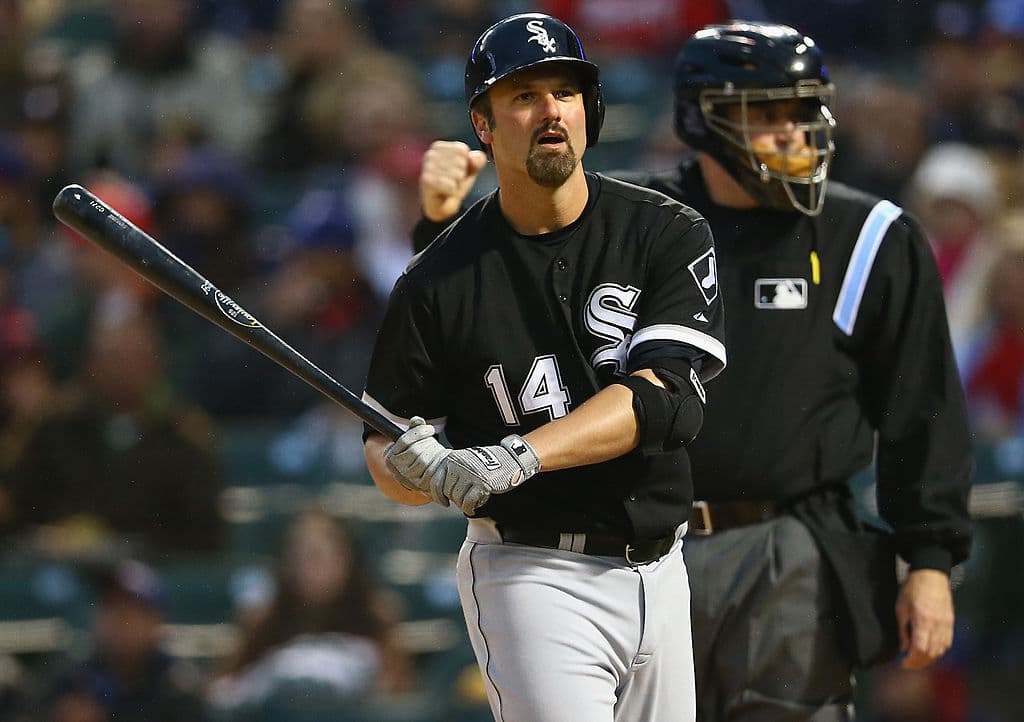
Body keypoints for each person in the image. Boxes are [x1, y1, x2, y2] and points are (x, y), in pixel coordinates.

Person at [410, 21, 973, 721]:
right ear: (702, 118)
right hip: (627, 544)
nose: (792, 133)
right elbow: (496, 303)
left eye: (803, 111)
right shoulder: (634, 221)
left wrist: (930, 560)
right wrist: (438, 224)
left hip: (786, 542)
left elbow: (925, 409)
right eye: (765, 114)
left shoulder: (871, 235)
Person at [363, 12, 726, 722]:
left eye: (565, 90)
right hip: (531, 572)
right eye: (524, 96)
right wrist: (412, 473)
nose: (550, 110)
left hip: (662, 566)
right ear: (484, 124)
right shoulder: (437, 278)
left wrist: (516, 455)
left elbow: (663, 398)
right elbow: (385, 439)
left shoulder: (665, 230)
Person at [208, 508, 412, 716]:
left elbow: (398, 698)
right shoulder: (262, 618)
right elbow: (222, 690)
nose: (305, 568)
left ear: (346, 559)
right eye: (296, 557)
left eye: (316, 556)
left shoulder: (377, 616)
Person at [44, 559, 208, 722]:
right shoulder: (72, 681)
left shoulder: (178, 686)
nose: (114, 621)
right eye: (108, 608)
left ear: (154, 621)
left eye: (126, 614)